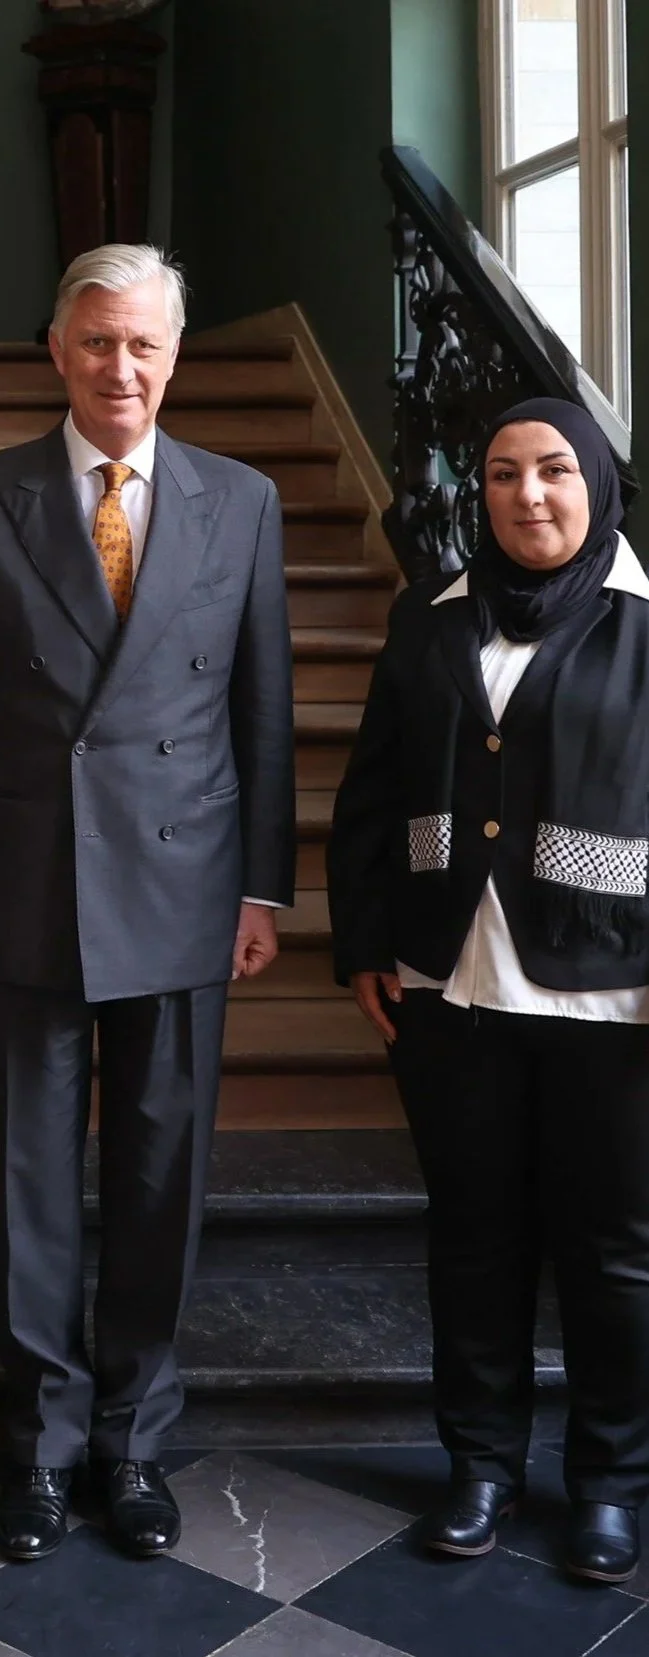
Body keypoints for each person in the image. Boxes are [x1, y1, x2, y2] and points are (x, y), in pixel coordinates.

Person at [0, 244, 296, 1563]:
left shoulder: (241, 501)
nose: (118, 366)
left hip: (185, 880)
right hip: (21, 884)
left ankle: (131, 1439)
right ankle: (40, 1442)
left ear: (172, 357)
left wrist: (261, 884)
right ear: (56, 352)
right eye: (94, 342)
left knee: (155, 1172)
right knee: (26, 1176)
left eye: (141, 344)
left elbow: (264, 710)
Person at [329, 397, 649, 1584]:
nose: (529, 496)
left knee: (612, 1250)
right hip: (446, 975)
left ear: (599, 484)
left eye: (555, 471)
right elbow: (371, 790)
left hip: (613, 993)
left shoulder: (643, 622)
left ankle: (608, 1483)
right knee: (473, 1238)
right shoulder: (430, 617)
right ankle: (481, 1464)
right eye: (505, 474)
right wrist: (364, 937)